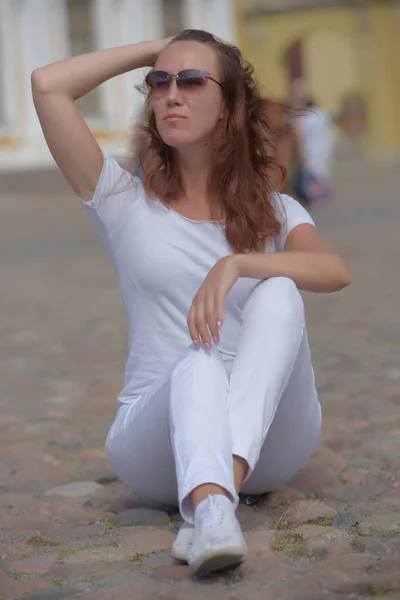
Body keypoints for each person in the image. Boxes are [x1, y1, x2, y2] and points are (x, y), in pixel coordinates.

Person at [31, 29, 351, 575]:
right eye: (160, 82)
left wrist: (237, 262)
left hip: (268, 444)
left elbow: (333, 270)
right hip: (159, 445)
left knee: (278, 291)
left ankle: (215, 498)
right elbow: (48, 86)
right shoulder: (121, 198)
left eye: (192, 81)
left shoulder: (277, 210)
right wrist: (159, 47)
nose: (171, 93)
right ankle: (212, 509)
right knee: (197, 364)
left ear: (229, 106)